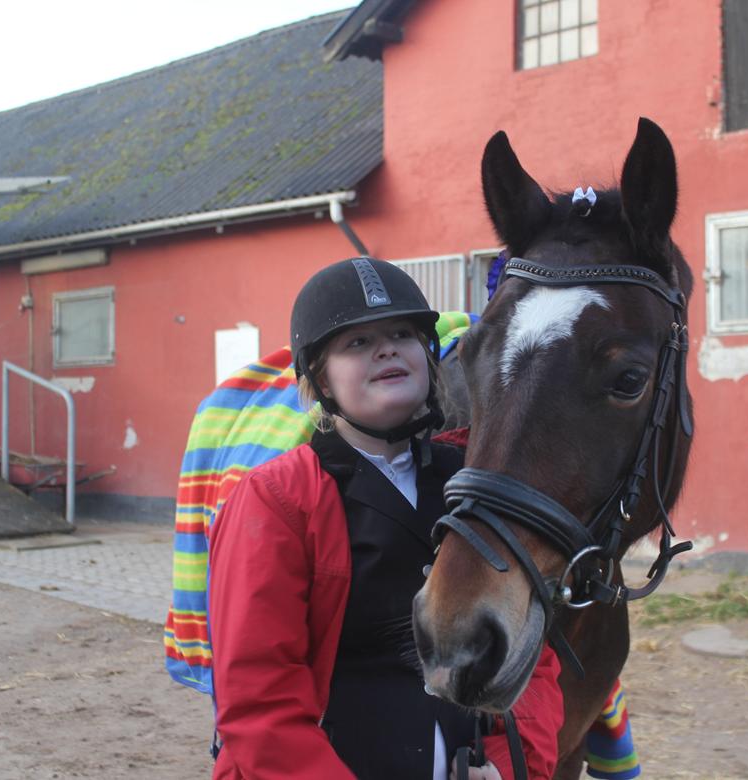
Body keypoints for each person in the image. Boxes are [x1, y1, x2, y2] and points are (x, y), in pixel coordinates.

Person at [208, 257, 564, 779]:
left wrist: (514, 768)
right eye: (356, 342)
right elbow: (256, 699)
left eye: (402, 333)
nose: (387, 348)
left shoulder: (479, 484)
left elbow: (533, 661)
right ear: (321, 380)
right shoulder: (275, 499)